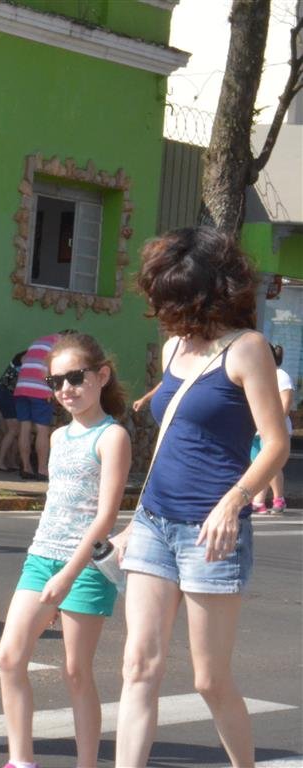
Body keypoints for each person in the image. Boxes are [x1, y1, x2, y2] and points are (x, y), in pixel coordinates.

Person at [112, 227, 289, 768]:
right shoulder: (174, 348)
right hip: (154, 524)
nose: (164, 308)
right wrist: (131, 519)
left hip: (212, 533)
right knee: (138, 666)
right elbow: (175, 436)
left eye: (173, 296)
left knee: (209, 679)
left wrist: (232, 501)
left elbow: (276, 443)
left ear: (208, 291)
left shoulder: (247, 348)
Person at [0, 333, 131, 768]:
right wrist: (49, 567)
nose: (66, 389)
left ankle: (86, 764)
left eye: (75, 378)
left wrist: (68, 574)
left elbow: (105, 518)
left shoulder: (112, 438)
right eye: (56, 382)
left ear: (101, 375)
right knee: (8, 657)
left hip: (86, 566)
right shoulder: (56, 438)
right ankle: (21, 760)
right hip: (41, 558)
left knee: (76, 671)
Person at [14, 332, 66, 481]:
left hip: (22, 387)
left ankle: (26, 467)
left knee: (25, 427)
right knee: (42, 430)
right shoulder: (61, 346)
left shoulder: (38, 341)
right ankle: (42, 469)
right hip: (40, 390)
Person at [251, 343, 293, 514]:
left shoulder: (280, 375)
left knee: (271, 464)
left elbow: (286, 402)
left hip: (272, 429)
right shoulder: (257, 374)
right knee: (259, 465)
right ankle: (259, 501)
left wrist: (273, 424)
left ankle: (279, 499)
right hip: (254, 428)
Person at [0, 351, 25, 472]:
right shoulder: (26, 357)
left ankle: (11, 461)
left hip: (11, 395)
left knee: (16, 431)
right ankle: (0, 462)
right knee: (13, 429)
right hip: (6, 394)